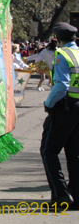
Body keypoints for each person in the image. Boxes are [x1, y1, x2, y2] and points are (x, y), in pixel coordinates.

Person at [40, 22, 79, 207]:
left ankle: (60, 195)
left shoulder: (62, 54)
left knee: (49, 151)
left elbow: (61, 85)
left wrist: (48, 104)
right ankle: (76, 195)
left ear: (57, 38)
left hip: (66, 107)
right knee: (74, 152)